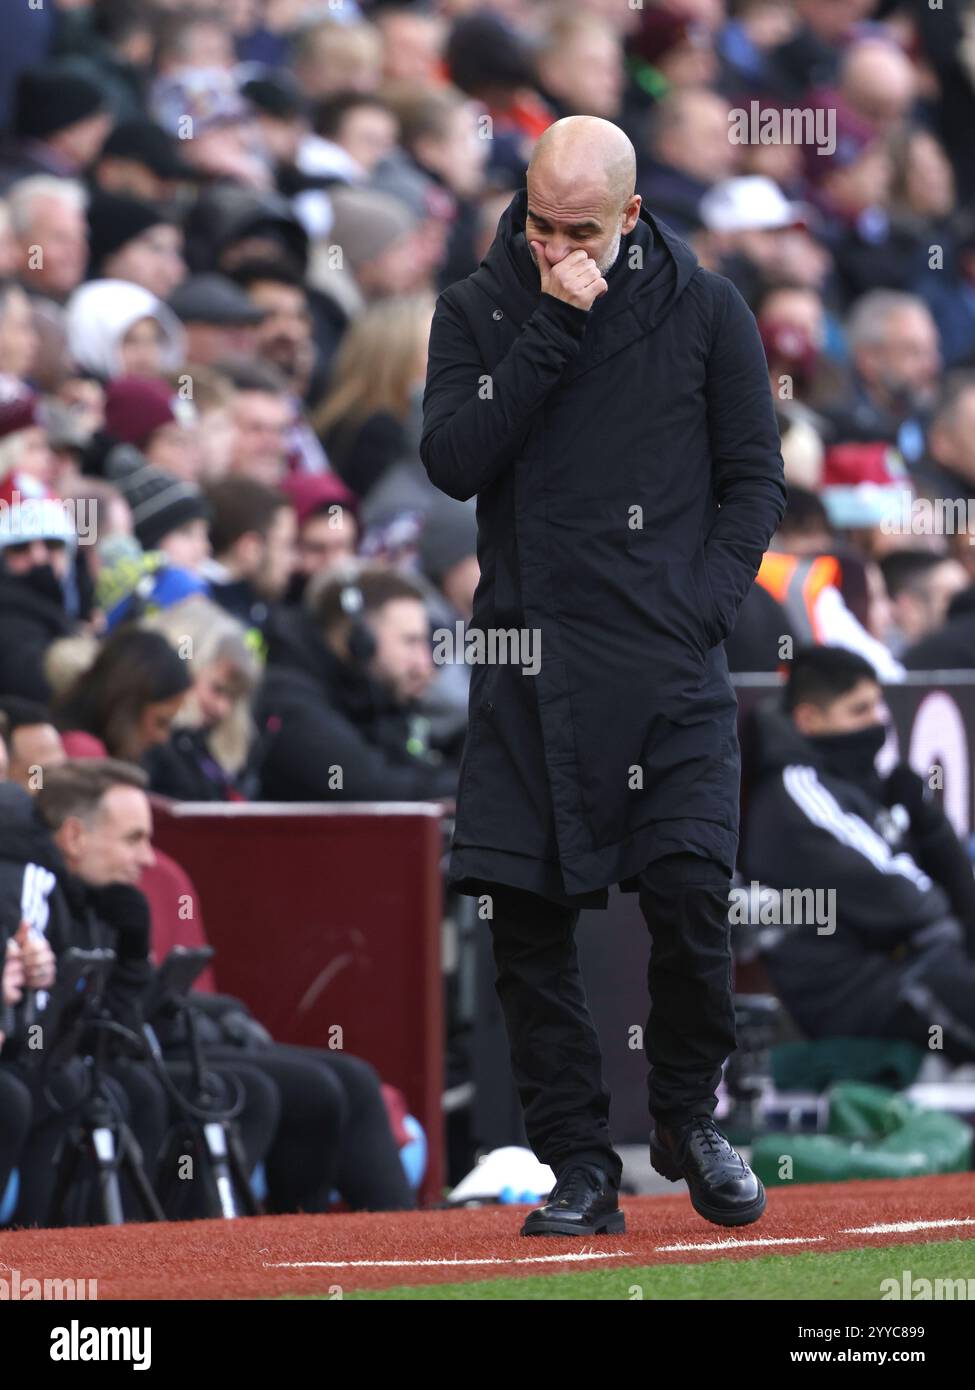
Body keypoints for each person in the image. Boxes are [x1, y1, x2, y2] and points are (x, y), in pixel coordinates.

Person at [420, 114, 787, 1235]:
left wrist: (704, 606)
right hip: (530, 658)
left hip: (668, 663)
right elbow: (452, 459)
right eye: (538, 222)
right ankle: (579, 1161)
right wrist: (547, 323)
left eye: (579, 228)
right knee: (524, 927)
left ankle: (688, 1114)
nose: (554, 245)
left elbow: (753, 482)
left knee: (690, 895)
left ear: (632, 214)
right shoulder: (479, 305)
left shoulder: (707, 306)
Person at [743, 646, 975, 1059]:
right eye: (859, 710)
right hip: (858, 996)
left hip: (909, 969)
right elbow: (909, 900)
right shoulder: (798, 793)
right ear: (809, 719)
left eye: (877, 707)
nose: (877, 723)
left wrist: (931, 825)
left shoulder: (856, 785)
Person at [256, 564, 458, 804]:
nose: (425, 665)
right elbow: (371, 787)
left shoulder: (371, 696)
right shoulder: (289, 700)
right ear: (360, 641)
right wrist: (475, 784)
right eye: (410, 642)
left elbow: (412, 771)